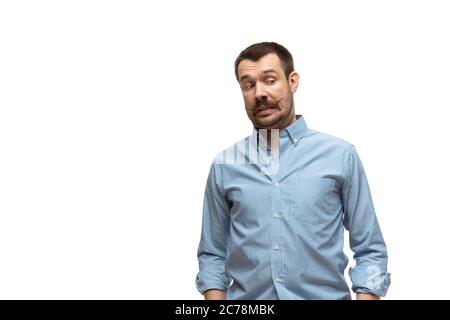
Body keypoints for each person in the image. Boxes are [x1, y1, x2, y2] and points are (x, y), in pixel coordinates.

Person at [195, 42, 391, 300]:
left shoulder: (340, 155)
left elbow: (370, 250)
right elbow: (213, 254)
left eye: (270, 80)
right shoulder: (225, 164)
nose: (260, 93)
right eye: (248, 85)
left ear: (293, 82)